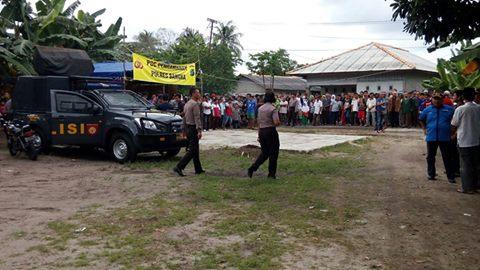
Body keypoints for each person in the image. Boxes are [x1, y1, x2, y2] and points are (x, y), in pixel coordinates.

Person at [419, 94, 456, 182]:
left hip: (445, 137)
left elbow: (456, 121)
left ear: (442, 99)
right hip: (431, 137)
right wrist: (424, 129)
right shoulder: (427, 109)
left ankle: (450, 176)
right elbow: (421, 119)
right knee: (430, 157)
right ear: (432, 99)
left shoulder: (450, 109)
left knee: (447, 157)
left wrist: (454, 132)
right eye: (435, 99)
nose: (436, 101)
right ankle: (431, 174)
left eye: (438, 99)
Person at [451, 88, 480, 194]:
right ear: (474, 96)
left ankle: (467, 188)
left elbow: (454, 125)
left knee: (465, 166)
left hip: (464, 141)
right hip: (476, 140)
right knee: (476, 165)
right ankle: (476, 186)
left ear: (463, 97)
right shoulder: (478, 108)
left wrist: (452, 134)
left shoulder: (460, 109)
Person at [247, 92, 280, 179]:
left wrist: (259, 134)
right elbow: (276, 122)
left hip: (262, 131)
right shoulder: (273, 109)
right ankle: (271, 174)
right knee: (273, 153)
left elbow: (259, 123)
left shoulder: (260, 108)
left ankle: (253, 168)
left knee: (265, 153)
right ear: (273, 99)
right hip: (270, 131)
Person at [173, 88, 205, 177]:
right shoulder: (194, 104)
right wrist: (199, 130)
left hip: (188, 128)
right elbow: (197, 118)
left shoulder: (187, 104)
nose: (199, 94)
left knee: (195, 149)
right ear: (193, 94)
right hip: (193, 128)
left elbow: (184, 117)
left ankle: (198, 169)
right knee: (192, 150)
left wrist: (183, 130)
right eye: (198, 93)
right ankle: (179, 166)